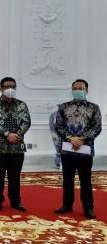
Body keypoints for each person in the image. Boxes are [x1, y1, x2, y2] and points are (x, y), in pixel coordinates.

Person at [54, 79, 101, 219]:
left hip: (85, 149)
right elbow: (59, 126)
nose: (78, 90)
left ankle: (88, 207)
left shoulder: (94, 108)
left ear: (87, 90)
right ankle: (67, 205)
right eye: (75, 88)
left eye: (81, 88)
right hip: (67, 149)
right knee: (67, 179)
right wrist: (70, 138)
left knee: (85, 180)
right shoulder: (63, 107)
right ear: (72, 90)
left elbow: (96, 128)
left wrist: (81, 139)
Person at [0, 77, 31, 212]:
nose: (10, 89)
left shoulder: (22, 105)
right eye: (7, 86)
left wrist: (16, 135)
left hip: (17, 147)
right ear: (1, 89)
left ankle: (16, 201)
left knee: (15, 177)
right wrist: (7, 134)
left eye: (13, 86)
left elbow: (26, 122)